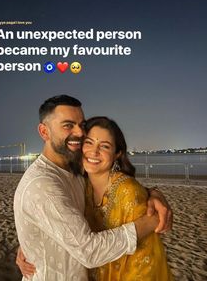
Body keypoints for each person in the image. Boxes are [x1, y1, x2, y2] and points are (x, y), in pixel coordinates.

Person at [14, 95, 172, 280]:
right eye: (68, 125)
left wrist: (153, 193)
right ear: (44, 132)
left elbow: (113, 185)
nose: (80, 133)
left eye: (81, 125)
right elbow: (89, 251)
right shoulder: (43, 185)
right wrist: (149, 223)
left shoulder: (75, 172)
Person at [83, 116, 173, 280]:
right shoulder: (80, 185)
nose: (94, 151)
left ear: (117, 154)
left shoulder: (130, 192)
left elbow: (144, 263)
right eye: (88, 142)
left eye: (104, 146)